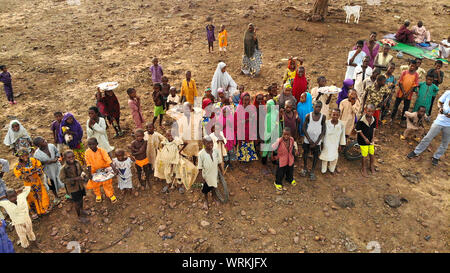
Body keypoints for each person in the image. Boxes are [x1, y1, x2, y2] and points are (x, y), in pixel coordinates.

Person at [407, 90, 450, 166]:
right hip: (439, 121)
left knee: (445, 143)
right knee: (428, 137)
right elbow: (440, 101)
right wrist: (440, 108)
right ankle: (416, 152)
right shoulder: (448, 93)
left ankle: (436, 157)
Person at [13, 148, 49, 219]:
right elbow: (19, 175)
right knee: (31, 197)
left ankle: (43, 209)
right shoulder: (18, 166)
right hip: (28, 184)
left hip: (37, 181)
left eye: (26, 155)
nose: (25, 157)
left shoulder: (33, 160)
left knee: (41, 194)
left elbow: (40, 168)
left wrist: (34, 173)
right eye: (22, 156)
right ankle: (34, 211)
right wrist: (29, 176)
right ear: (19, 157)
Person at [60, 150, 89, 224]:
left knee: (81, 198)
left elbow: (82, 170)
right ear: (65, 158)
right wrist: (75, 178)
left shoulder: (77, 163)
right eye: (69, 157)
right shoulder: (63, 169)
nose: (71, 158)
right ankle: (79, 216)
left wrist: (84, 176)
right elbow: (63, 180)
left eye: (73, 156)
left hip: (80, 186)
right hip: (73, 188)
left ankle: (82, 210)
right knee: (77, 202)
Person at [33, 137, 64, 205]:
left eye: (44, 140)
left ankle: (68, 192)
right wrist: (46, 162)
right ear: (39, 145)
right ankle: (56, 196)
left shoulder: (51, 146)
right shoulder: (37, 154)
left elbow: (57, 152)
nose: (46, 141)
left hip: (57, 167)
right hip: (48, 170)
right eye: (43, 142)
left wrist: (56, 158)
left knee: (63, 179)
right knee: (51, 183)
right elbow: (38, 164)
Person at [85, 137, 117, 203]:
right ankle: (98, 195)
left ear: (97, 144)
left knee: (107, 183)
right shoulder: (87, 152)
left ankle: (110, 195)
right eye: (89, 145)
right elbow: (88, 164)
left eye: (93, 144)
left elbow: (108, 159)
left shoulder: (102, 151)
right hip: (94, 170)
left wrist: (114, 168)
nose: (91, 146)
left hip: (104, 168)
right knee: (95, 183)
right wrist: (89, 174)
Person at [198, 136, 224, 210]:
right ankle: (205, 200)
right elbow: (200, 168)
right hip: (206, 175)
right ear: (204, 143)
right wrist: (201, 178)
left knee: (214, 186)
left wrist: (222, 171)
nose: (210, 144)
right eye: (208, 143)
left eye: (211, 142)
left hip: (214, 173)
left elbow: (219, 163)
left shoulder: (216, 151)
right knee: (205, 189)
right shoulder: (201, 154)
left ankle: (214, 197)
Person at [302, 101, 326, 181]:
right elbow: (304, 128)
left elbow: (323, 130)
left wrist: (316, 142)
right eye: (316, 106)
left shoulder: (323, 117)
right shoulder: (308, 116)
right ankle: (305, 167)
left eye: (319, 107)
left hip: (317, 141)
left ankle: (312, 171)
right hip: (308, 139)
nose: (318, 108)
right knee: (305, 153)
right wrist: (309, 140)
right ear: (313, 106)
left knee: (316, 156)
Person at [158, 129, 185, 194]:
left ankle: (179, 185)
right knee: (166, 172)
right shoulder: (165, 141)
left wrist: (180, 151)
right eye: (168, 136)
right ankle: (168, 183)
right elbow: (161, 146)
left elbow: (185, 143)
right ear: (166, 136)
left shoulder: (177, 141)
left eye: (171, 136)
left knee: (178, 172)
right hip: (167, 161)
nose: (170, 137)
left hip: (176, 160)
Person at [320, 109, 346, 175]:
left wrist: (341, 144)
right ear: (331, 114)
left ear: (339, 116)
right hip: (327, 143)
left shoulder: (341, 124)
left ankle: (332, 169)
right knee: (325, 157)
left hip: (335, 143)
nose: (335, 116)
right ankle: (324, 170)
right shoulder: (326, 123)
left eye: (337, 115)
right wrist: (322, 143)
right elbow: (323, 134)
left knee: (334, 157)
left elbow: (342, 135)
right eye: (333, 114)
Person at [235, 92, 258, 162]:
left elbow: (254, 118)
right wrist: (245, 120)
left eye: (248, 100)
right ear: (242, 99)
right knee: (242, 144)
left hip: (249, 130)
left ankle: (249, 157)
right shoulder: (239, 108)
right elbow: (236, 121)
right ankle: (242, 158)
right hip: (241, 130)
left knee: (249, 143)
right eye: (245, 100)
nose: (246, 102)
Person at [356, 104, 377, 177]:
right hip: (363, 140)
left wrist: (373, 138)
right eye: (368, 111)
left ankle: (371, 166)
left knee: (372, 153)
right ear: (365, 110)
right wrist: (365, 138)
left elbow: (374, 129)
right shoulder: (361, 120)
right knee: (364, 155)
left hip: (371, 140)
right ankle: (363, 168)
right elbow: (359, 130)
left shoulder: (374, 119)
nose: (370, 113)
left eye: (372, 112)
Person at [261, 99, 280, 165]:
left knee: (274, 146)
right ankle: (264, 160)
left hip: (275, 132)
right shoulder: (269, 114)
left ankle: (273, 159)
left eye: (268, 106)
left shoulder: (275, 112)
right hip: (270, 133)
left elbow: (277, 122)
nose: (266, 107)